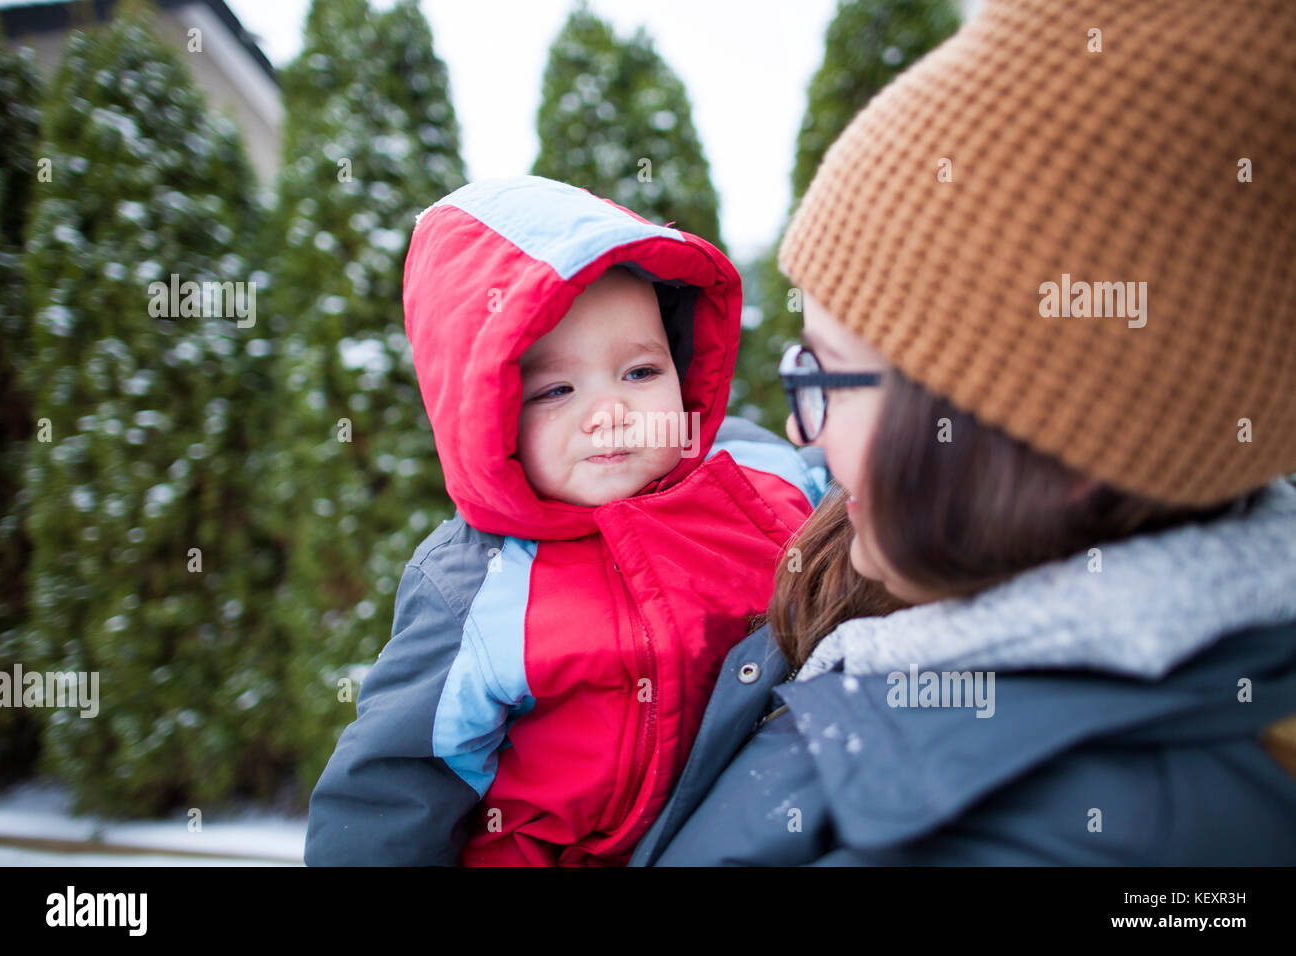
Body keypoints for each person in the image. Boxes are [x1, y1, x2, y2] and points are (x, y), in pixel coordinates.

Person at [627, 0, 1296, 865]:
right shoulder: (922, 564)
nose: (799, 421)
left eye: (828, 377)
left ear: (1049, 448)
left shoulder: (1071, 843)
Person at [303, 175, 827, 866]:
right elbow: (391, 790)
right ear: (493, 417)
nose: (609, 412)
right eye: (557, 389)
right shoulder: (477, 585)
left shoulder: (757, 473)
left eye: (640, 373)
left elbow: (871, 517)